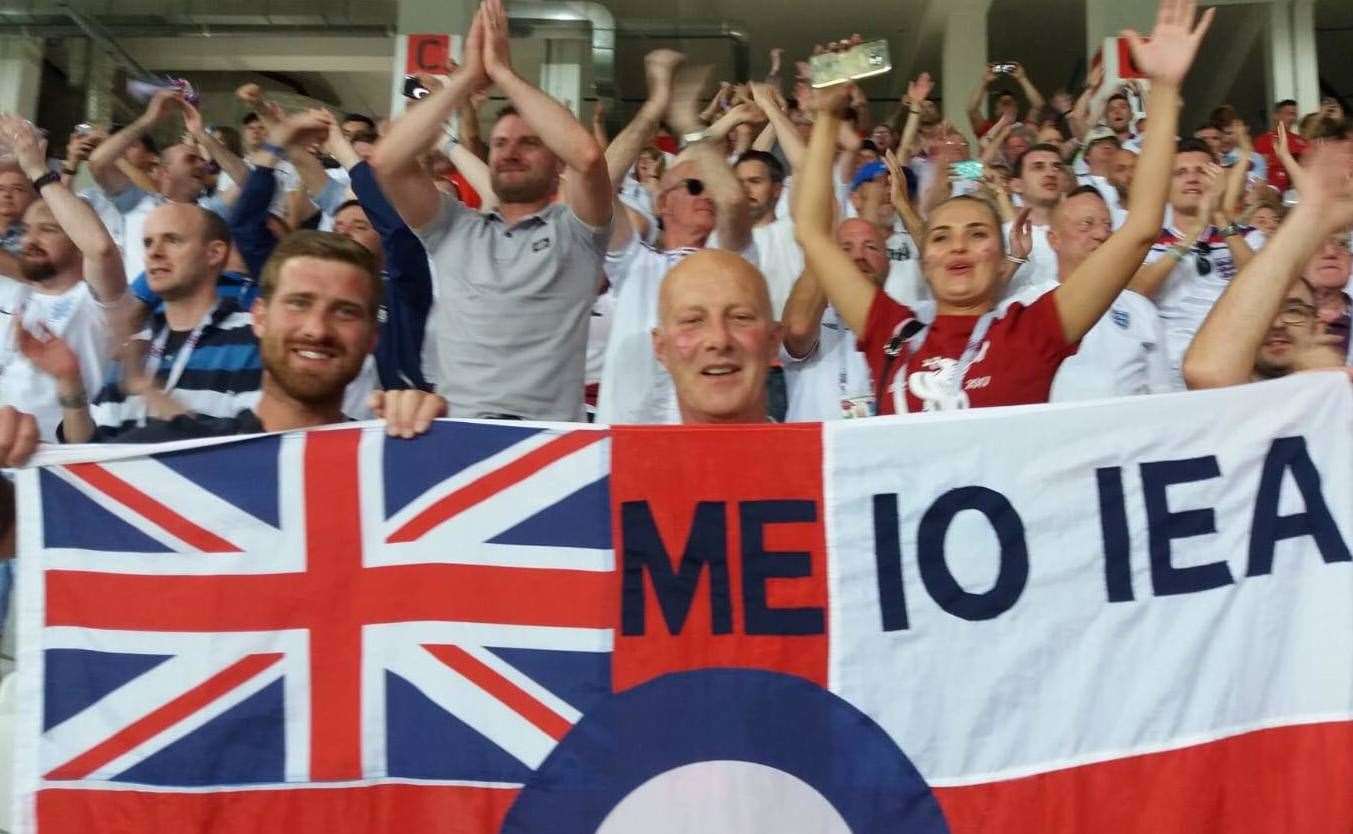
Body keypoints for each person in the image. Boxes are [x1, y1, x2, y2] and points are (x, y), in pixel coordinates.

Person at [795, 0, 1209, 415]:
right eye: (941, 237)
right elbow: (813, 232)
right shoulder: (892, 330)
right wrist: (828, 117)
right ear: (924, 262)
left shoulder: (1034, 330)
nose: (958, 246)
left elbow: (1139, 230)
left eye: (977, 234)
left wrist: (1165, 90)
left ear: (1001, 260)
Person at [372, 0, 612, 421]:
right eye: (499, 143)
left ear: (557, 162)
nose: (509, 153)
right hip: (457, 438)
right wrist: (464, 78)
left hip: (547, 447)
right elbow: (387, 161)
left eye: (528, 142)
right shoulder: (453, 228)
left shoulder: (577, 234)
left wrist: (504, 73)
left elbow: (589, 157)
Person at [92, 232, 449, 442]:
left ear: (373, 337)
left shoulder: (398, 454)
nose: (316, 329)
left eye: (345, 311)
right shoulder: (174, 449)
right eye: (298, 303)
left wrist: (436, 439)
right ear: (259, 318)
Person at [598, 62, 754, 425]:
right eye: (696, 187)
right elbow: (598, 184)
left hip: (709, 444)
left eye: (711, 186)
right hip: (631, 447)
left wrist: (690, 126)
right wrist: (654, 109)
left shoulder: (729, 264)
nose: (709, 196)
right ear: (663, 202)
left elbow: (733, 200)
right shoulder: (635, 262)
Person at [33, 203, 262, 442]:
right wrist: (70, 383)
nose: (154, 253)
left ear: (214, 253)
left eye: (172, 240)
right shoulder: (137, 348)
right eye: (148, 243)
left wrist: (147, 390)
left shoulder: (254, 338)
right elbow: (89, 451)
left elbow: (246, 448)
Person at [0, 117, 129, 440]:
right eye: (28, 230)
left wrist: (36, 170)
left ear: (76, 239)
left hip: (61, 460)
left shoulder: (99, 300)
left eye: (48, 230)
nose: (30, 240)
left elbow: (101, 250)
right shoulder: (19, 296)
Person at [1183, 141, 1353, 388]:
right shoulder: (1235, 405)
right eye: (1265, 315)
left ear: (1318, 326)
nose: (1277, 324)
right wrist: (1311, 213)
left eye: (1294, 311)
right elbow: (1209, 374)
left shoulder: (1340, 390)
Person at [1126, 137, 1263, 388]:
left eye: (1202, 171)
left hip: (1238, 366)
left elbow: (1264, 287)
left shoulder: (1248, 236)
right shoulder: (1145, 241)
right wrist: (1193, 232)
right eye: (1180, 172)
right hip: (1168, 374)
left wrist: (1218, 215)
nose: (1192, 178)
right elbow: (1136, 292)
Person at [87, 90, 242, 280]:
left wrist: (201, 135)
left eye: (202, 160)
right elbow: (98, 163)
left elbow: (249, 183)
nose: (202, 165)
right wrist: (149, 119)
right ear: (164, 172)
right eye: (191, 159)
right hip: (137, 306)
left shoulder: (209, 212)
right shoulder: (139, 202)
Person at [1048, 186, 1171, 400]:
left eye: (1108, 226)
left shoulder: (1140, 308)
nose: (1102, 234)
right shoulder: (1026, 308)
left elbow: (1164, 392)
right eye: (1087, 225)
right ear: (1054, 239)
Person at [651, 250, 779, 424]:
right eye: (693, 321)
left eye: (740, 317)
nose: (719, 340)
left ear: (773, 341)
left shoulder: (824, 451)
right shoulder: (612, 452)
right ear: (661, 348)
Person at [781, 218, 887, 420]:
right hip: (814, 448)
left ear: (888, 261)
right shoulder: (814, 320)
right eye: (845, 249)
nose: (858, 256)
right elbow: (798, 329)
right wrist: (822, 246)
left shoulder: (903, 323)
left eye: (871, 247)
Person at [1253, 99, 1308, 194]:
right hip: (1271, 189)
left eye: (1294, 114)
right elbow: (1259, 168)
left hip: (1297, 188)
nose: (1291, 118)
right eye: (1288, 114)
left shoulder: (1302, 141)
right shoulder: (1264, 140)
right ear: (1276, 115)